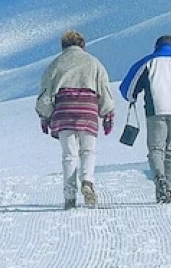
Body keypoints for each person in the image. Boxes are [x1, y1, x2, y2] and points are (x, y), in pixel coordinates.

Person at [35, 29, 116, 208]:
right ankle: (87, 181)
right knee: (88, 151)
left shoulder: (55, 64)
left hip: (64, 111)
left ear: (63, 46)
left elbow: (46, 92)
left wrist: (44, 114)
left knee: (69, 155)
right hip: (88, 109)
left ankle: (70, 196)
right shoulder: (94, 63)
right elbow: (104, 90)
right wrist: (107, 113)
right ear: (83, 45)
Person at [120, 34, 171, 204]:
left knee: (156, 149)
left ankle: (160, 180)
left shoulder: (148, 62)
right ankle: (170, 190)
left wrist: (132, 98)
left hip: (156, 109)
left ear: (156, 47)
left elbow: (127, 88)